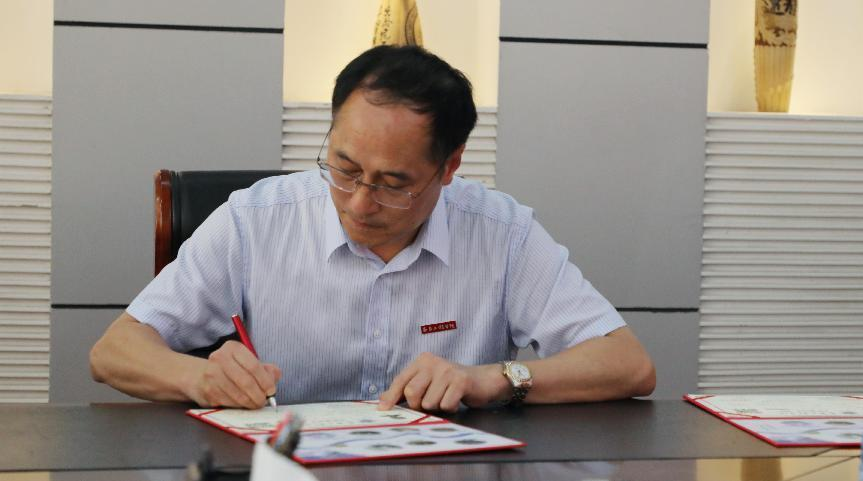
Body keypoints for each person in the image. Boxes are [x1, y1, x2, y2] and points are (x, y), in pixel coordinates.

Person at [90, 45, 655, 413]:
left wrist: (493, 380)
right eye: (344, 168)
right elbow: (114, 351)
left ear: (449, 167)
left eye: (393, 183)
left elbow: (628, 364)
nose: (359, 202)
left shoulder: (500, 232)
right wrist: (198, 379)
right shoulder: (255, 220)